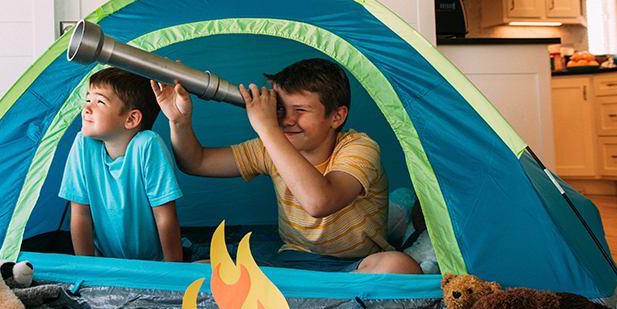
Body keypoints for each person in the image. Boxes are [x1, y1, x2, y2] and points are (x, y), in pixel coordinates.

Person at [152, 58, 422, 274]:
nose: (287, 120)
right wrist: (178, 121)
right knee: (202, 271)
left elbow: (320, 202)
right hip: (292, 264)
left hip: (356, 266)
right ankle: (318, 298)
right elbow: (195, 162)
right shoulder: (271, 145)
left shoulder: (359, 148)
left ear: (337, 116)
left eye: (300, 111)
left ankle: (317, 297)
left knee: (400, 266)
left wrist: (268, 128)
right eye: (280, 109)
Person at [59, 67, 184, 262]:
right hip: (105, 256)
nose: (86, 108)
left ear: (131, 118)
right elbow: (80, 213)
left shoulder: (147, 146)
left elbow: (165, 216)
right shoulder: (83, 144)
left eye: (99, 101)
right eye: (88, 100)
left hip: (154, 260)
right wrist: (86, 267)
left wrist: (174, 271)